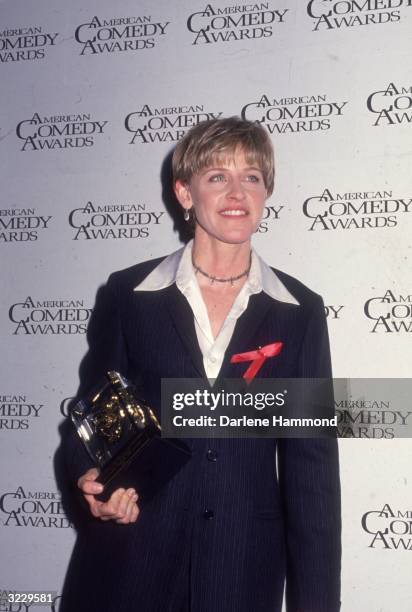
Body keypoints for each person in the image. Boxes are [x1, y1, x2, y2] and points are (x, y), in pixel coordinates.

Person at [61, 117, 341, 612]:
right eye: (217, 176)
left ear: (266, 192)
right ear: (185, 193)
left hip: (241, 570)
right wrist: (91, 478)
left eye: (251, 176)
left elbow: (311, 475)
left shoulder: (299, 312)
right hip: (131, 562)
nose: (237, 192)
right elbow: (91, 417)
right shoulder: (130, 296)